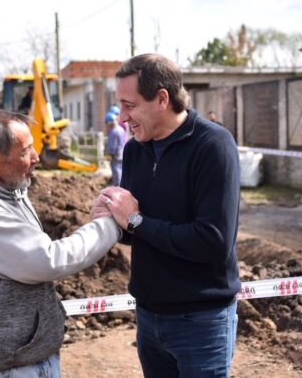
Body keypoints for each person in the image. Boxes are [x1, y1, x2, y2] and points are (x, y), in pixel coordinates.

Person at [93, 53, 241, 377]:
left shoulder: (213, 145)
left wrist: (135, 221)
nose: (122, 118)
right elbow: (139, 232)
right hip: (149, 316)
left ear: (162, 99)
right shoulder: (135, 149)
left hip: (201, 322)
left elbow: (213, 242)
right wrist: (113, 217)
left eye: (129, 106)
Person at [0, 109, 121, 377]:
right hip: (6, 367)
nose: (37, 157)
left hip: (21, 357)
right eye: (26, 150)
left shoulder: (8, 191)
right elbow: (48, 260)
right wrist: (113, 224)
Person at [104, 111, 126, 186]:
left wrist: (110, 155)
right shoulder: (121, 129)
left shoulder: (114, 132)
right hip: (122, 153)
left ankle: (117, 188)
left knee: (117, 173)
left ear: (110, 123)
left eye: (107, 124)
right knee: (122, 171)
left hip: (116, 156)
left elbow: (113, 146)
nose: (107, 126)